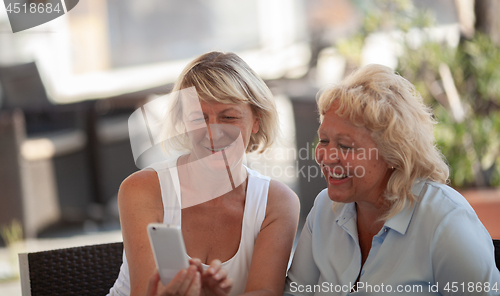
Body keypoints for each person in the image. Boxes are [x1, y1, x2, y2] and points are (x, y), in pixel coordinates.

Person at [284, 64, 500, 295]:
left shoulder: (446, 222)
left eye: (345, 145)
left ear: (393, 154)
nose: (326, 157)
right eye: (324, 141)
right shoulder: (324, 209)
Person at [107, 51, 300, 296]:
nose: (212, 133)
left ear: (256, 121)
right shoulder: (144, 189)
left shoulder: (277, 203)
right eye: (198, 118)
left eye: (228, 117)